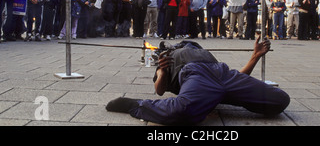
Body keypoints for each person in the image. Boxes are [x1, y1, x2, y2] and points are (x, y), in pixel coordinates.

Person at [105, 37, 290, 125]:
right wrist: (161, 70)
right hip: (196, 75)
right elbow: (159, 90)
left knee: (280, 100)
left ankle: (214, 100)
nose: (187, 44)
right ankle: (135, 105)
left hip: (222, 72)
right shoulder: (169, 55)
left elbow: (238, 77)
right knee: (181, 111)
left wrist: (255, 56)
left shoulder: (202, 51)